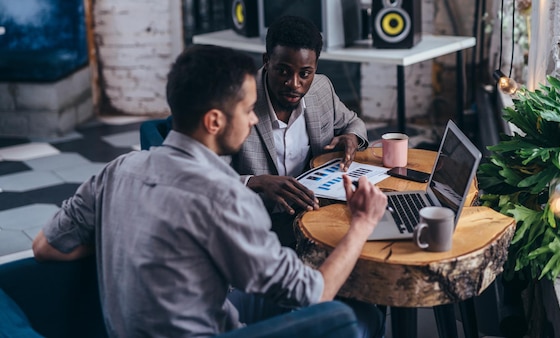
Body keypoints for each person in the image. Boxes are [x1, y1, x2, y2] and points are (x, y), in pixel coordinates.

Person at [31, 44, 388, 337]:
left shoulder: (117, 170)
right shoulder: (225, 197)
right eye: (248, 110)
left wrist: (132, 239)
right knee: (360, 315)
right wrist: (361, 223)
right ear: (214, 121)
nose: (253, 119)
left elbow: (45, 246)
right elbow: (314, 294)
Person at [231, 15, 370, 244]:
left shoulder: (321, 88)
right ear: (267, 61)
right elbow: (207, 177)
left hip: (313, 212)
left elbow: (353, 122)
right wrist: (257, 182)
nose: (294, 84)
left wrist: (352, 137)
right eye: (283, 71)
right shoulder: (237, 101)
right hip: (256, 224)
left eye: (305, 74)